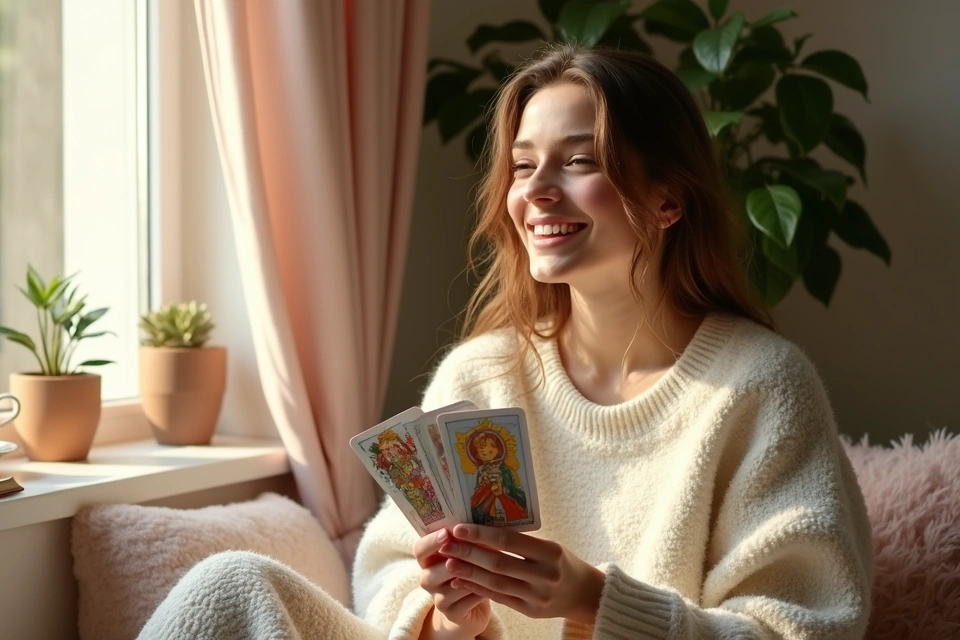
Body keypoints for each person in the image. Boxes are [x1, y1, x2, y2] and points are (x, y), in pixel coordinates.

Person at [140, 42, 872, 640]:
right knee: (233, 583)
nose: (536, 191)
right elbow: (387, 575)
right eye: (524, 166)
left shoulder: (761, 386)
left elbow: (804, 628)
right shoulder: (483, 371)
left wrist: (595, 600)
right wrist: (450, 620)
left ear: (668, 198)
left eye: (578, 161)